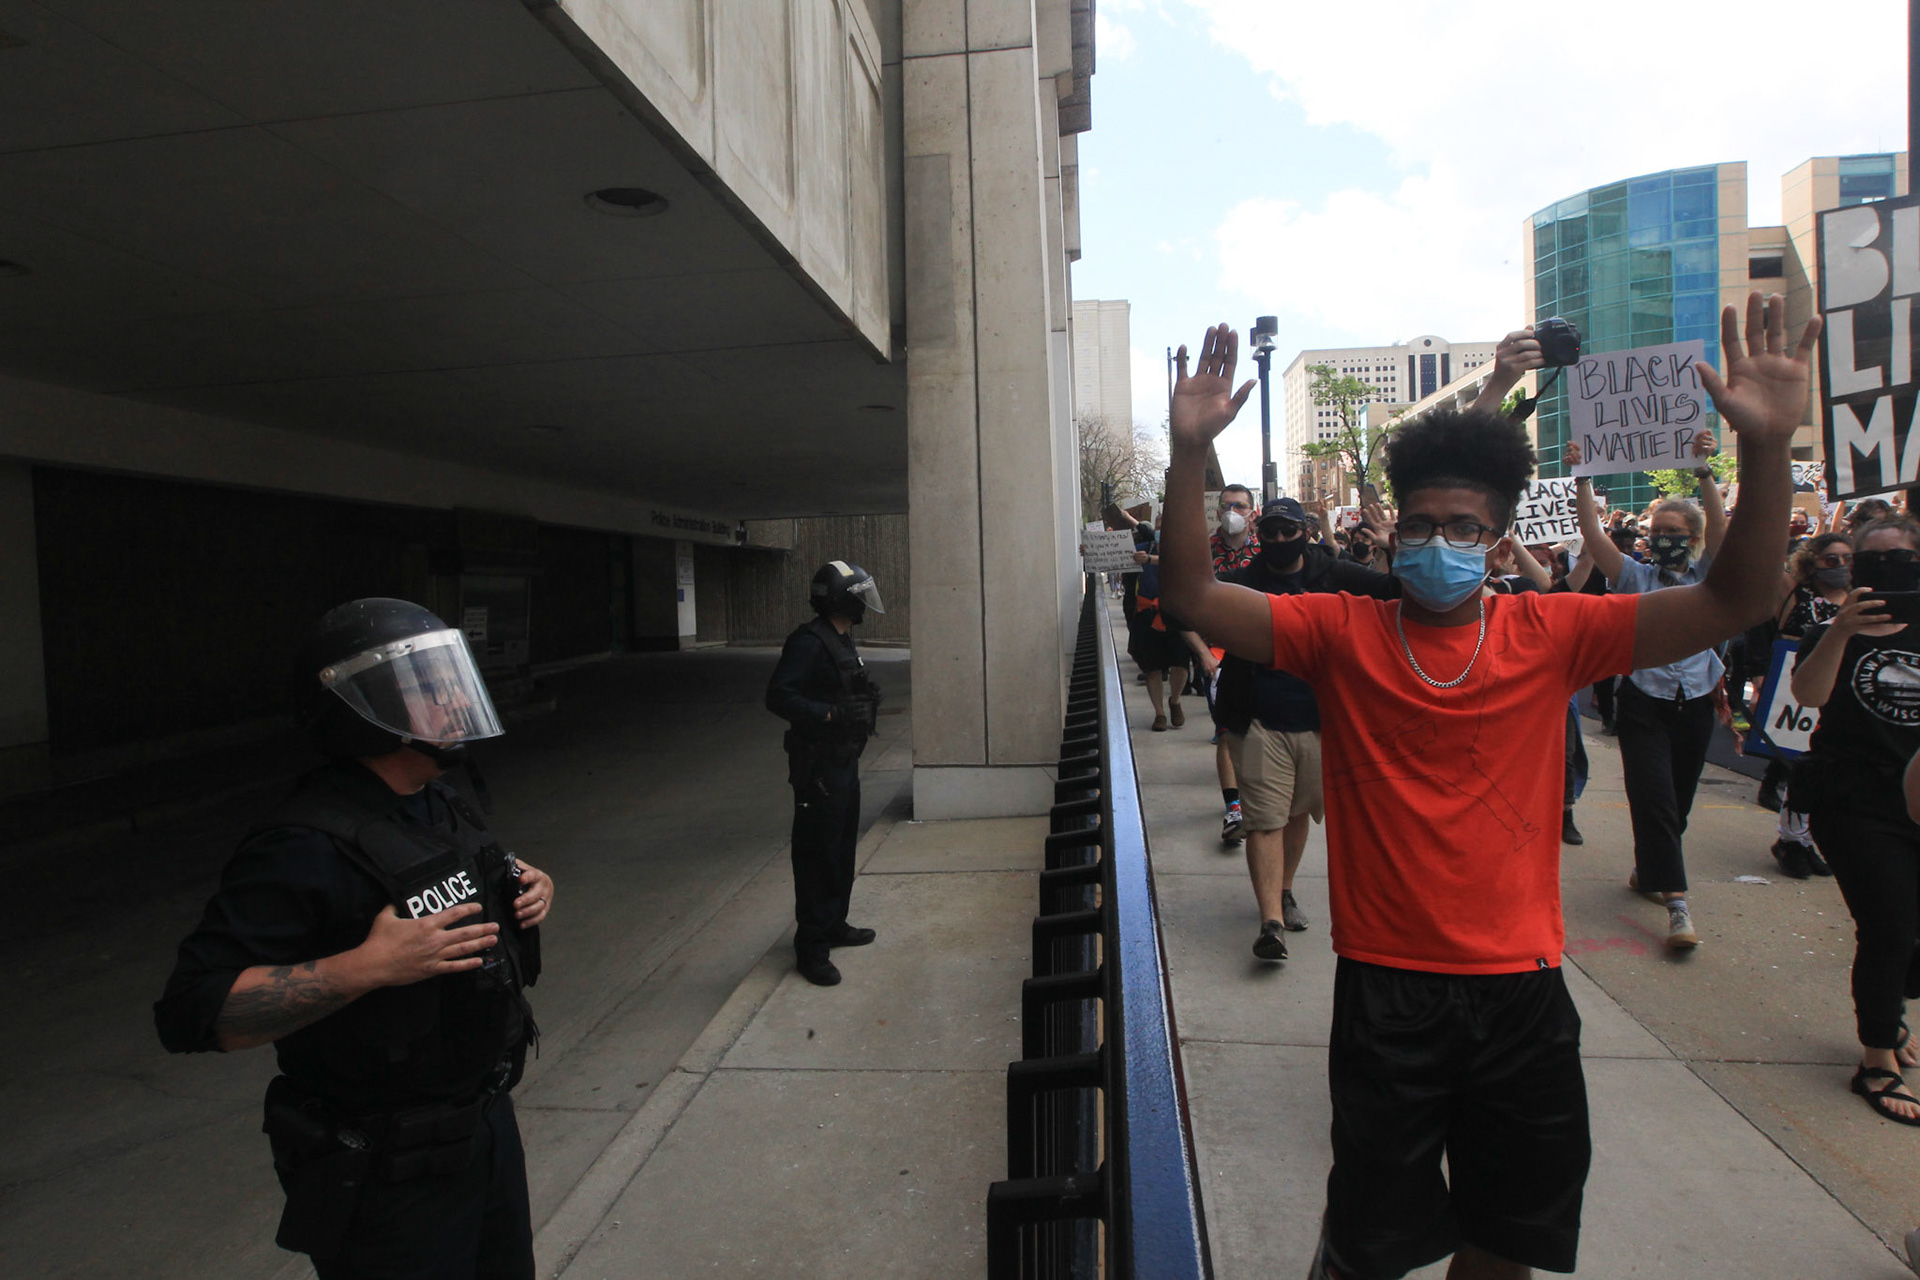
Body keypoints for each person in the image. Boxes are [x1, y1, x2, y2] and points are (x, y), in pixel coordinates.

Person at [1159, 296, 1818, 1280]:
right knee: (1368, 1244)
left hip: (1523, 991)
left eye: (1463, 527)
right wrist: (1189, 459)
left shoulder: (1554, 635)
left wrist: (1764, 451)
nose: (1439, 541)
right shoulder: (1341, 631)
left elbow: (1738, 598)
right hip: (1388, 989)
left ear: (1501, 540)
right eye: (1422, 524)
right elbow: (1192, 597)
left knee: (1506, 1241)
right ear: (1395, 532)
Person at [155, 598, 553, 1278]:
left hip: (484, 1129)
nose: (452, 698)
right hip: (388, 1173)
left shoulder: (437, 799)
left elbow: (464, 884)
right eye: (429, 687)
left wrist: (526, 883)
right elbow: (193, 1009)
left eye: (450, 679)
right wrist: (366, 968)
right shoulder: (303, 844)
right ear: (365, 711)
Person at [1214, 496, 1399, 960]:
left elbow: (1397, 593)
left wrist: (1394, 547)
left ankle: (1285, 890)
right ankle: (1270, 922)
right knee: (1264, 819)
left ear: (1306, 532)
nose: (1280, 540)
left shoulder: (1334, 573)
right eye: (1271, 532)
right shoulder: (1244, 581)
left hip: (1321, 719)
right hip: (1258, 718)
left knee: (1297, 814)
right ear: (1260, 534)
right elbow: (1193, 602)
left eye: (1288, 531)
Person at [1568, 433, 1727, 950]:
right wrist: (1583, 478)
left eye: (1673, 532)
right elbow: (1595, 538)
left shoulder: (1709, 576)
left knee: (1678, 801)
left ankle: (1648, 869)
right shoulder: (1633, 576)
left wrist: (1704, 473)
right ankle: (1677, 905)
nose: (1662, 539)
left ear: (1693, 538)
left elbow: (1725, 536)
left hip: (1695, 703)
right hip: (1642, 704)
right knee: (1654, 797)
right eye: (1655, 531)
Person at [1792, 516, 1920, 1127]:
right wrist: (1841, 631)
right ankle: (1876, 1058)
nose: (1885, 571)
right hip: (1855, 802)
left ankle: (1890, 1005)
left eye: (1900, 559)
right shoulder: (1831, 629)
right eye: (1871, 561)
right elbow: (1808, 695)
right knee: (1888, 924)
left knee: (1906, 935)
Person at [766, 561, 886, 987]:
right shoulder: (808, 642)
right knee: (816, 854)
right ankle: (812, 948)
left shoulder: (841, 639)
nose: (864, 604)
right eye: (859, 596)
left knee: (841, 847)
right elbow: (779, 696)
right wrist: (831, 713)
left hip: (842, 761)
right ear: (839, 600)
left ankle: (834, 924)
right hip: (817, 767)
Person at [1759, 532, 1850, 874]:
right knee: (1800, 766)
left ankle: (1809, 840)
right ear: (1812, 563)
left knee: (1826, 767)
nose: (1840, 566)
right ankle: (1791, 839)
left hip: (1840, 693)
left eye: (1847, 559)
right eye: (1831, 559)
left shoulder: (1860, 598)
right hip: (1797, 689)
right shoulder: (1796, 594)